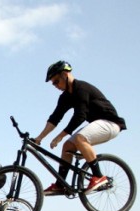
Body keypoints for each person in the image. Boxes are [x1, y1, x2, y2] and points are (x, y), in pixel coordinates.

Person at [34, 60, 126, 195]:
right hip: (98, 125)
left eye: (56, 81)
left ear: (65, 74)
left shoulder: (81, 88)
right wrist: (39, 137)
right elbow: (55, 118)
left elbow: (80, 116)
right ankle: (61, 185)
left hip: (110, 124)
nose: (55, 85)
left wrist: (59, 136)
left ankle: (99, 177)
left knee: (79, 138)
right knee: (67, 146)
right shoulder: (65, 97)